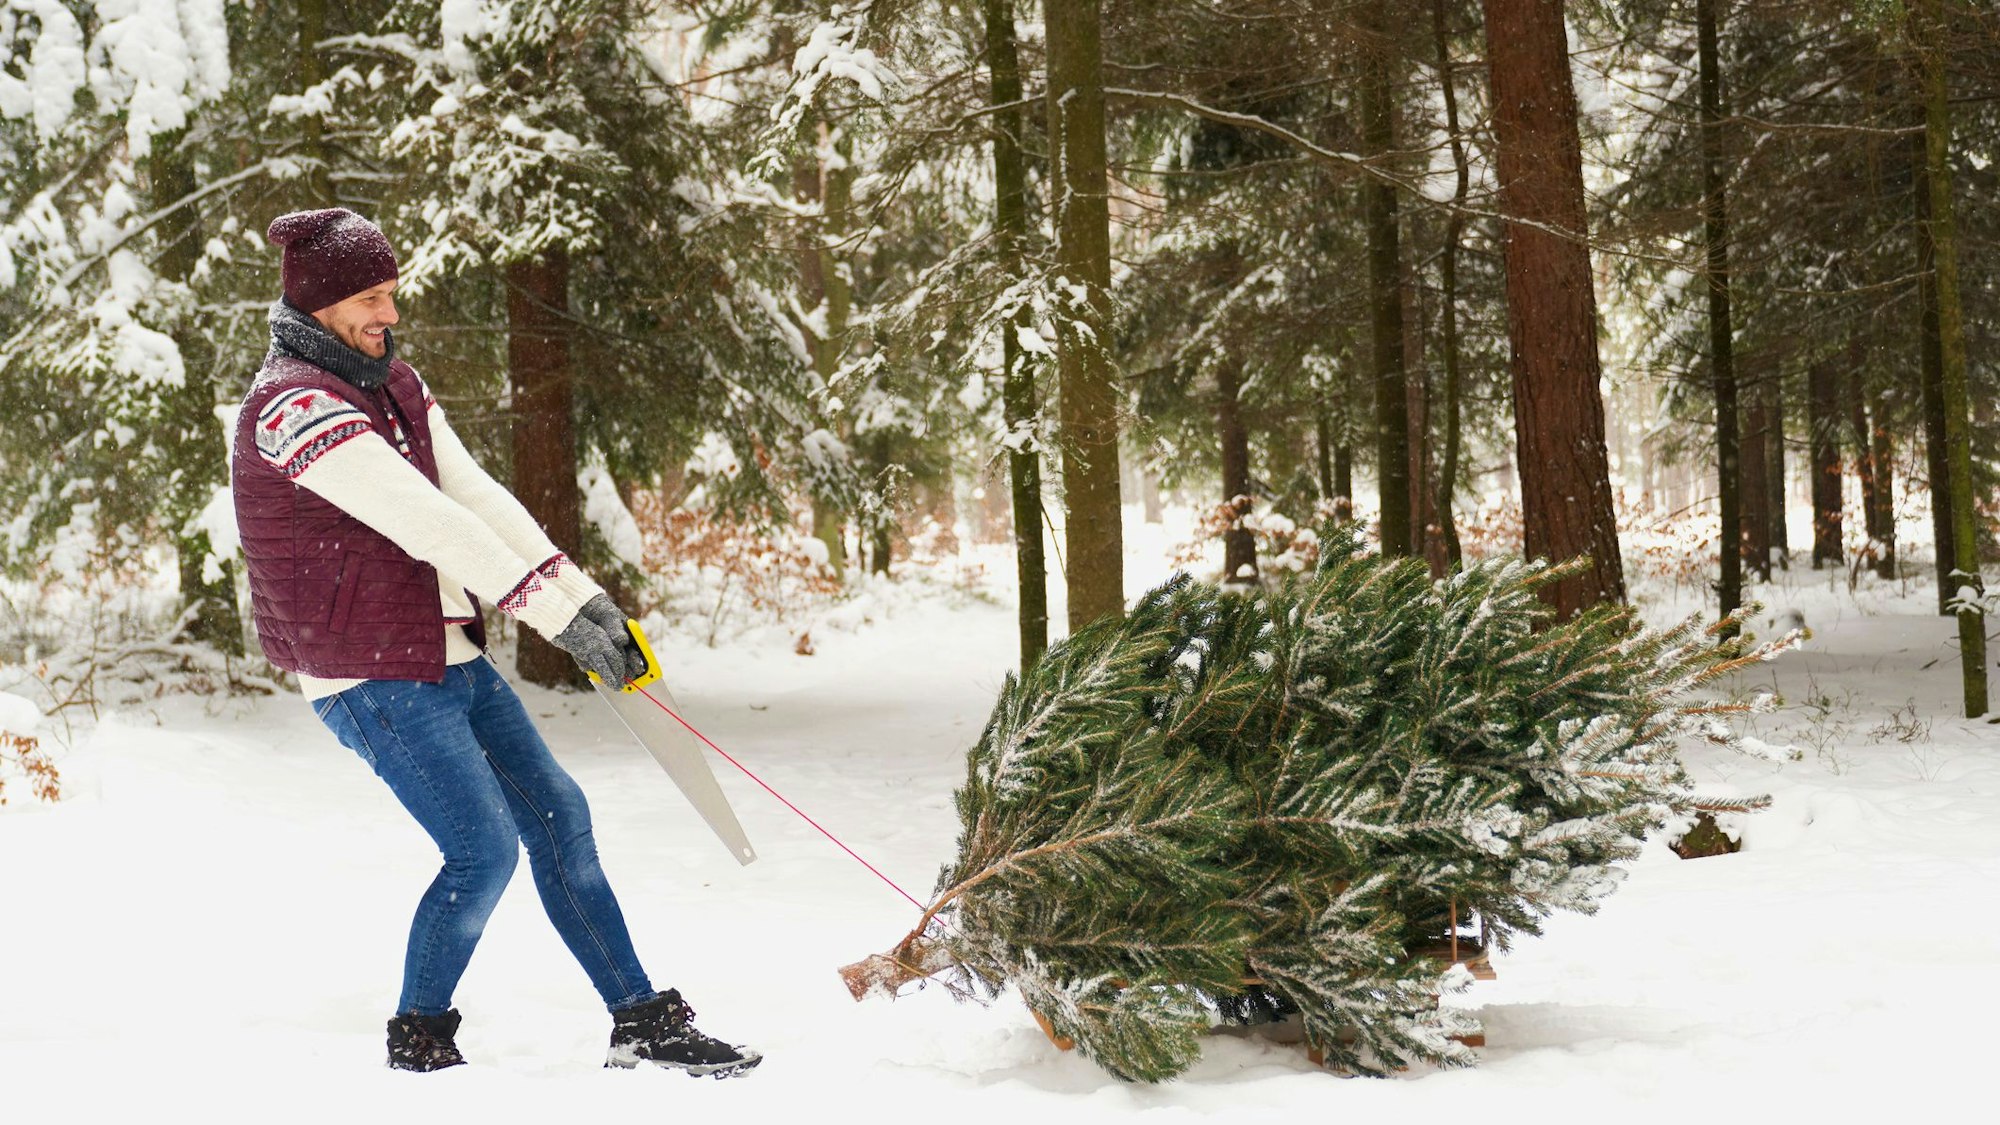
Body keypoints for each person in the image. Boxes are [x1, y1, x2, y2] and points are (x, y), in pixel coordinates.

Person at [229, 207, 760, 1078]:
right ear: (320, 303)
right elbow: (425, 520)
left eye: (392, 295)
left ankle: (640, 1018)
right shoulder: (288, 407)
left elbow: (473, 495)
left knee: (561, 817)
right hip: (365, 672)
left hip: (448, 652)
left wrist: (586, 604)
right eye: (370, 297)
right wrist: (550, 619)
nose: (387, 315)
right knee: (481, 850)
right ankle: (420, 1036)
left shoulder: (392, 381)